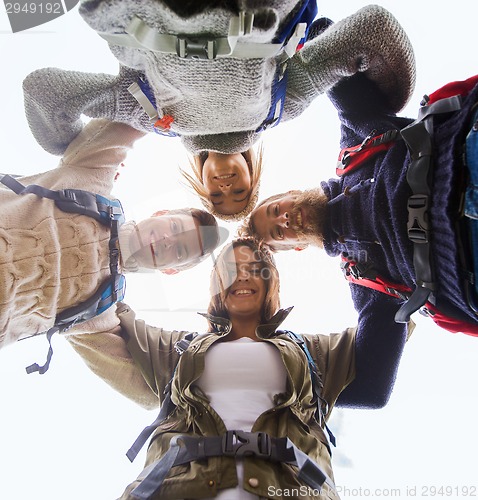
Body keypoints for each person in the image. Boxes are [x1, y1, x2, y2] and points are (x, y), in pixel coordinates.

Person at [65, 237, 412, 499]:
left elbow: (391, 319)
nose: (241, 277)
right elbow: (94, 317)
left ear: (270, 280)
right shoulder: (177, 349)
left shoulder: (313, 352)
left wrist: (342, 238)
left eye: (254, 269)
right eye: (229, 270)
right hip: (174, 489)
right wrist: (124, 247)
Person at [22, 2, 415, 220]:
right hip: (254, 10)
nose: (227, 186)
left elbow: (43, 90)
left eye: (218, 194)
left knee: (24, 13)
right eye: (240, 191)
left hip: (137, 10)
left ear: (202, 180)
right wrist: (387, 113)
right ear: (251, 170)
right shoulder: (280, 108)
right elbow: (374, 30)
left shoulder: (149, 115)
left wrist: (66, 152)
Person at [241, 71, 478, 336]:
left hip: (464, 151)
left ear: (290, 192)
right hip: (468, 265)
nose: (283, 219)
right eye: (277, 232)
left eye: (275, 210)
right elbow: (373, 372)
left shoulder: (356, 147)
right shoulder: (364, 282)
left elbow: (328, 55)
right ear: (296, 246)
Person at [0, 118, 223, 349]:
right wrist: (173, 114)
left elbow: (137, 376)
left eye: (180, 250)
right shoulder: (93, 181)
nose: (169, 240)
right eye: (175, 227)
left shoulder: (102, 314)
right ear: (160, 213)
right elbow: (127, 118)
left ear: (169, 270)